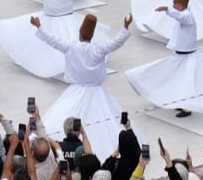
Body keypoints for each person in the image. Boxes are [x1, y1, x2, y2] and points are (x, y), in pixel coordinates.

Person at [33, 13, 132, 156]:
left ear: (80, 32)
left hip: (75, 91)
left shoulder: (71, 47)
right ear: (92, 36)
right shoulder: (98, 49)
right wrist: (125, 27)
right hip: (97, 93)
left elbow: (52, 40)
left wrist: (39, 27)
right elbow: (116, 42)